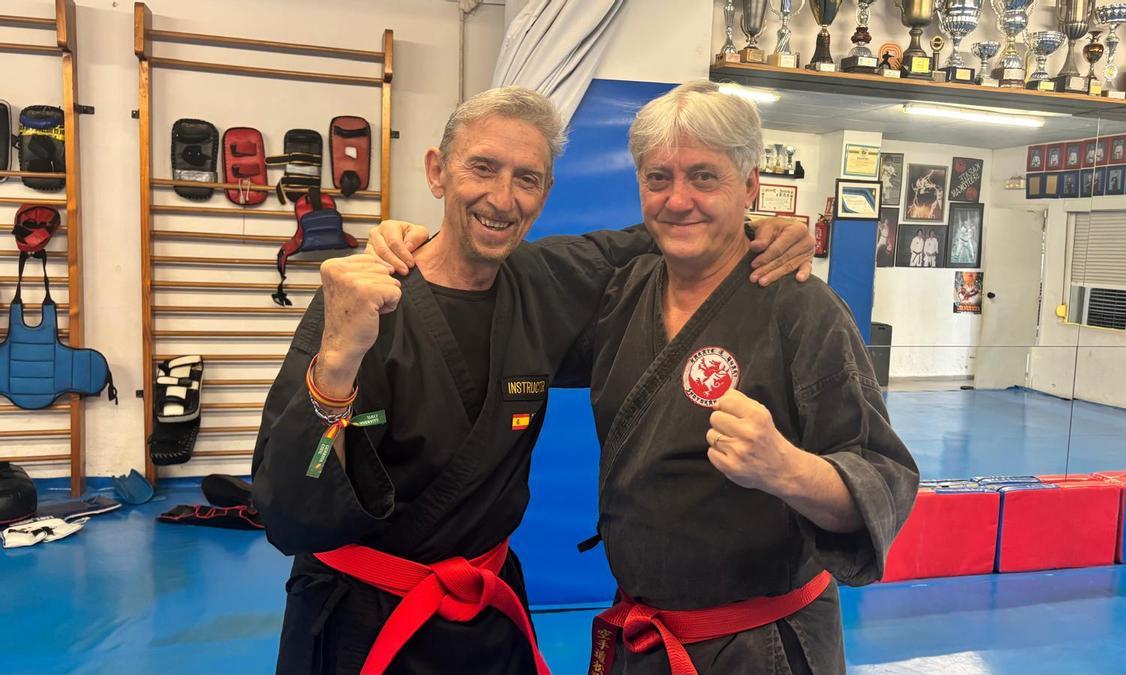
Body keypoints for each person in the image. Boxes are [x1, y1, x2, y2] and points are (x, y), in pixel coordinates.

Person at [251, 86, 814, 675]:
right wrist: (337, 360)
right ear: (437, 171)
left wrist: (761, 227)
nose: (502, 198)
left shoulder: (546, 281)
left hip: (487, 619)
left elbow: (668, 223)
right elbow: (289, 513)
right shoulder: (359, 299)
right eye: (482, 168)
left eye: (527, 178)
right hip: (360, 624)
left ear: (545, 193)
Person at [576, 80, 918, 674]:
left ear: (750, 185)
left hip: (761, 647)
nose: (677, 199)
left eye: (704, 177)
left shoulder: (802, 308)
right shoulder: (622, 293)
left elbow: (885, 481)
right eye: (657, 178)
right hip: (645, 635)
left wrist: (787, 470)